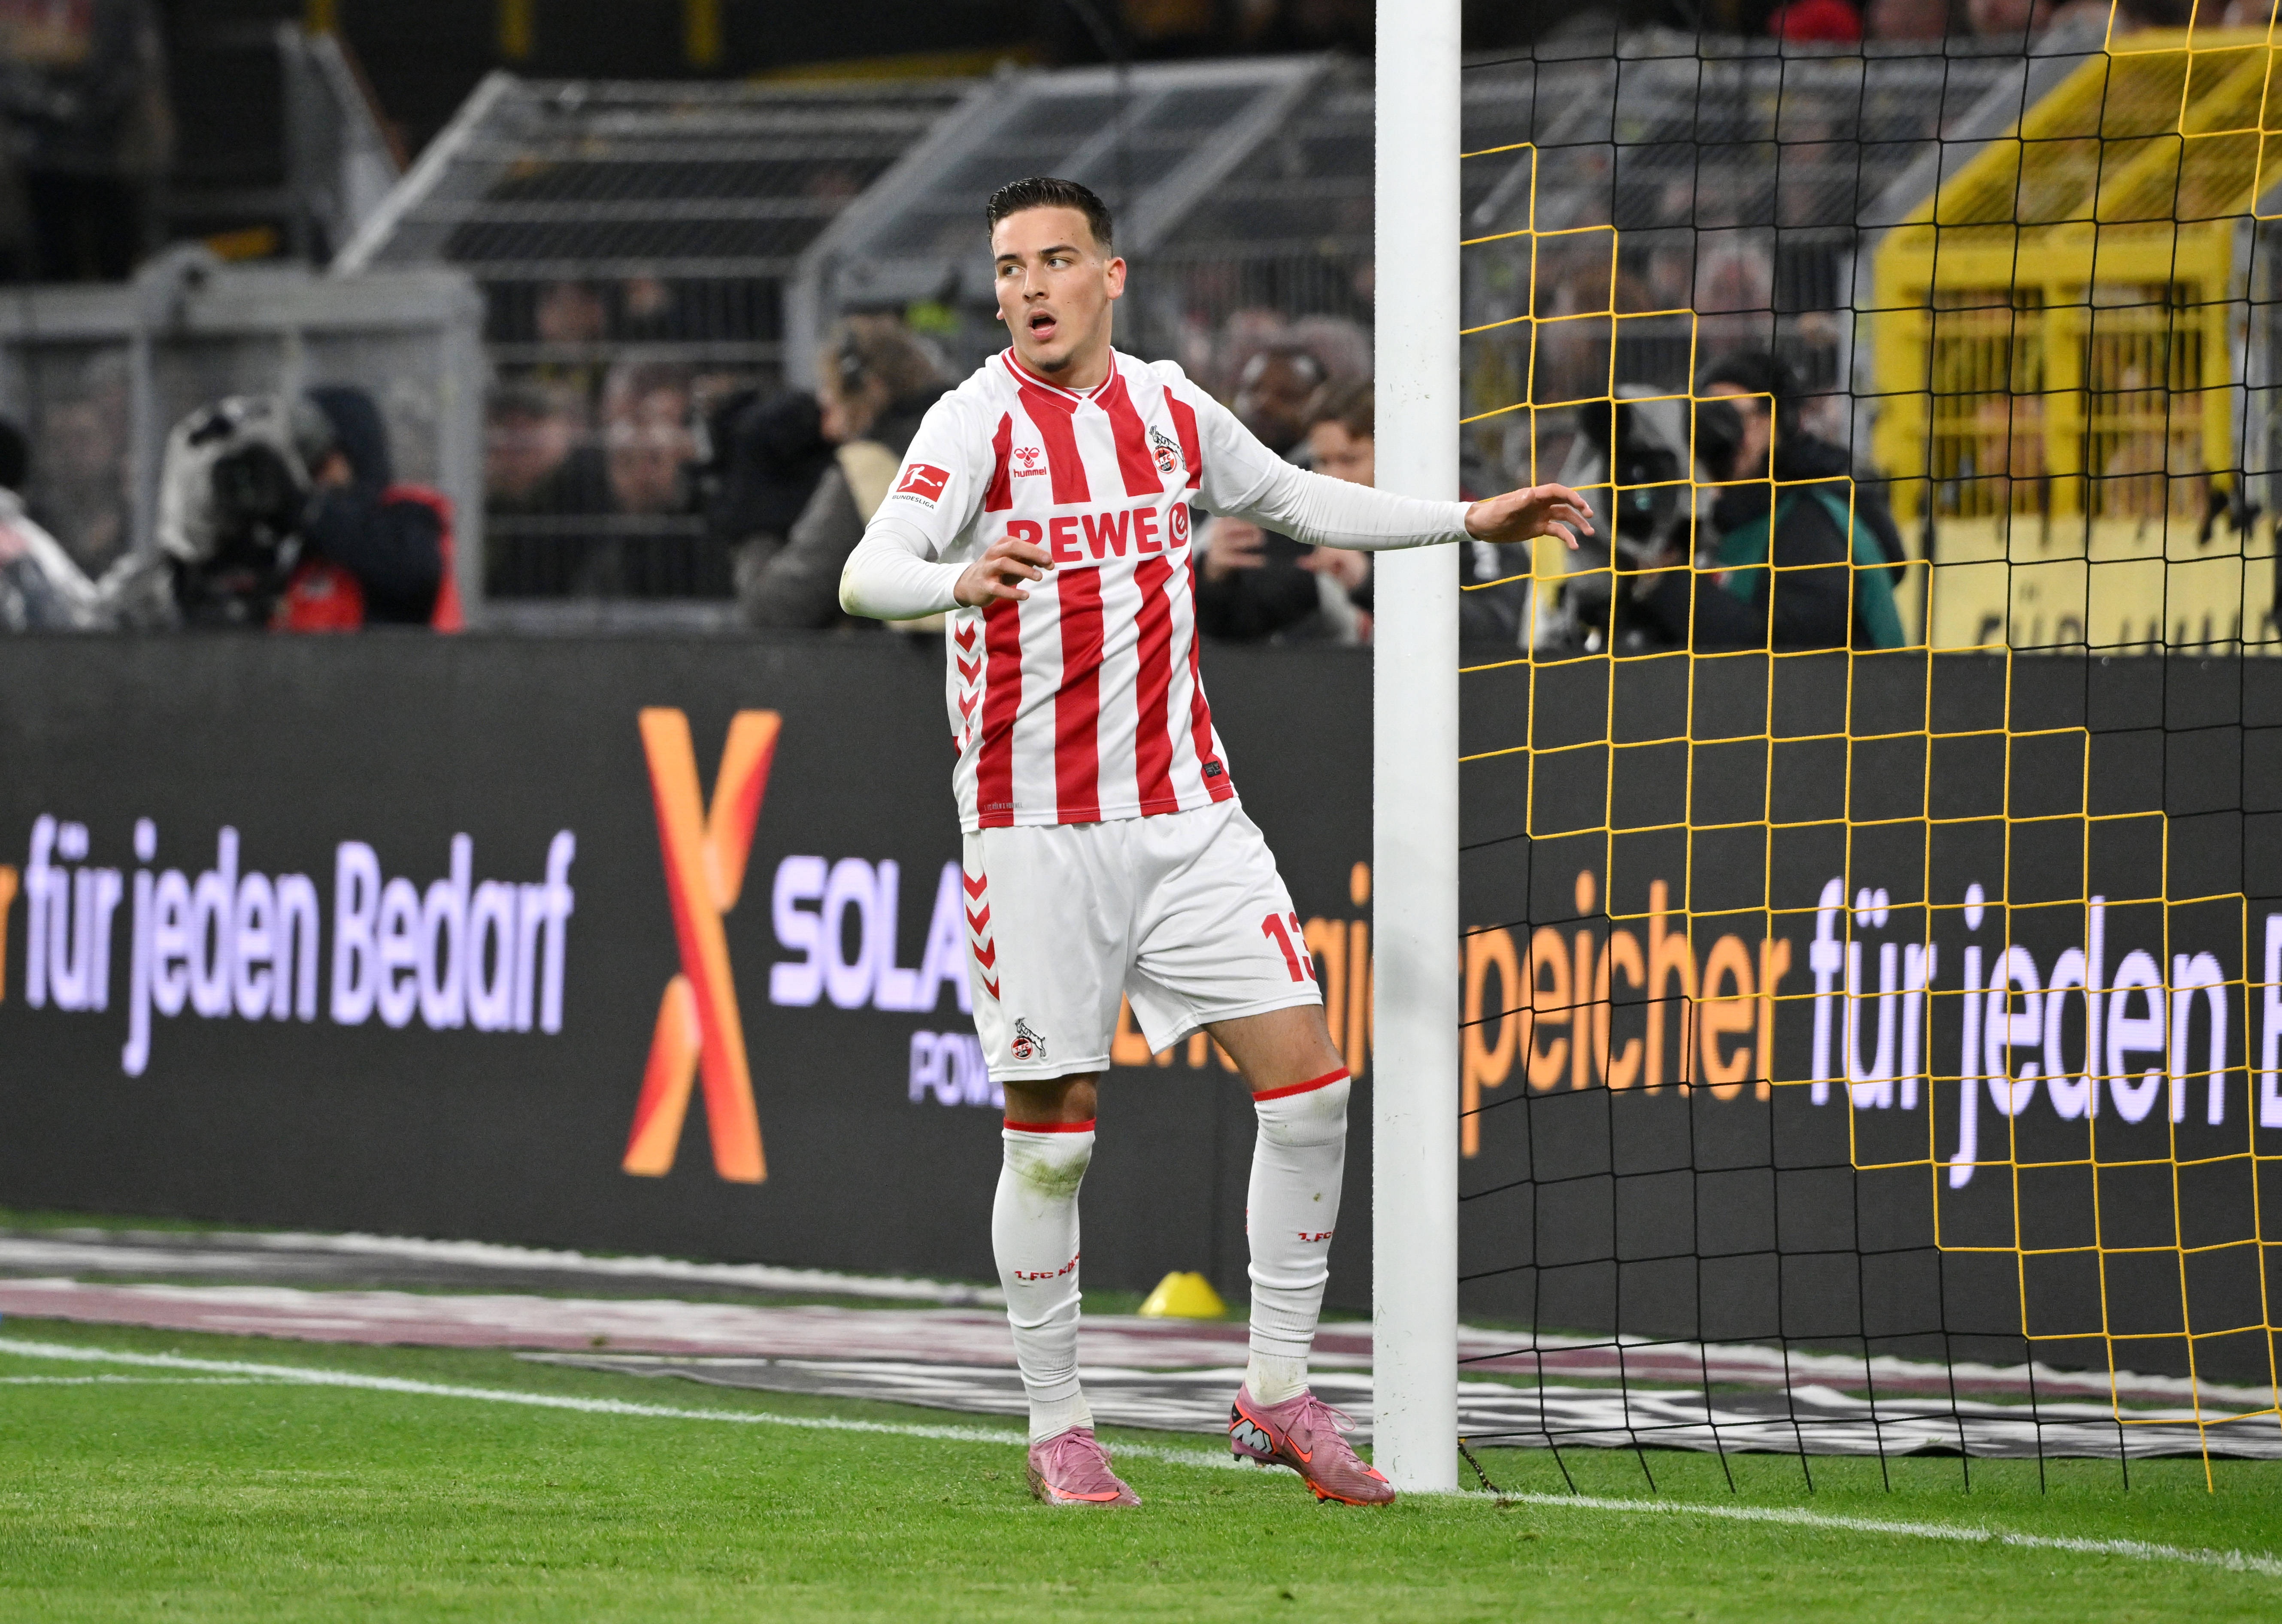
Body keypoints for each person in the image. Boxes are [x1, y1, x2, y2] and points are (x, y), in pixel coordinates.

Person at [836, 175, 1591, 1509]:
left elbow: (1297, 498)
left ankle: (1275, 1392)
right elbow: (864, 571)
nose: (1028, 287)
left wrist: (1465, 521)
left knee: (1309, 1091)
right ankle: (1058, 1426)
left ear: (1109, 276)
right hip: (1034, 830)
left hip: (1187, 815)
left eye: (1053, 260)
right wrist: (953, 578)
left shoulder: (1169, 407)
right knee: (1052, 1143)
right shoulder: (973, 423)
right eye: (1008, 267)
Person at [1630, 356, 1904, 652]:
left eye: (1734, 416)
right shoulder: (1700, 515)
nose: (1718, 432)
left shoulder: (1813, 521)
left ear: (1778, 426)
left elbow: (1786, 651)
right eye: (1708, 415)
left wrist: (1665, 584)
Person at [736, 318, 946, 630]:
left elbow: (779, 608)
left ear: (871, 389)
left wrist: (756, 527)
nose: (828, 426)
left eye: (833, 398)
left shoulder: (869, 466)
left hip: (928, 659)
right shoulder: (981, 435)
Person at [1193, 345, 1338, 642]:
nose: (1264, 403)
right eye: (1253, 391)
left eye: (1287, 395)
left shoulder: (1321, 485)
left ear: (1321, 402)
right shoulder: (1199, 469)